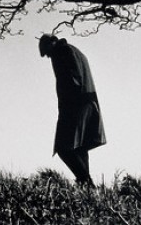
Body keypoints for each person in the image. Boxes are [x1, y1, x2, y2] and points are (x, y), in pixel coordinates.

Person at [38, 34, 106, 187]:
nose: (48, 56)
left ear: (52, 43)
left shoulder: (61, 51)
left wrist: (66, 109)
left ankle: (87, 183)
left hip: (75, 105)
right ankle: (86, 189)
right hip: (88, 104)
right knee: (80, 147)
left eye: (47, 52)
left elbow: (71, 80)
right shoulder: (77, 52)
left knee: (63, 148)